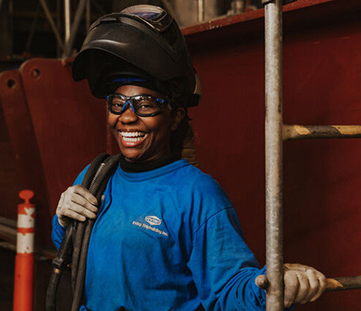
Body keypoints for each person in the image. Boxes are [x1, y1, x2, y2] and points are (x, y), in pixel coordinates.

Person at [52, 4, 326, 311]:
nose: (127, 117)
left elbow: (228, 288)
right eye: (118, 103)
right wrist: (63, 217)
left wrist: (274, 284)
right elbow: (69, 246)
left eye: (144, 104)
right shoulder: (95, 177)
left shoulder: (198, 194)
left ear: (176, 116)